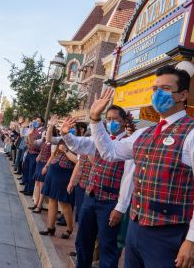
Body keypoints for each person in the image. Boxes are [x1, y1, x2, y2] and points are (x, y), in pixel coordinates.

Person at [87, 65, 194, 267]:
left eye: (165, 89)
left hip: (168, 233)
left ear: (183, 95)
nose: (158, 93)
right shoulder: (144, 133)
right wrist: (95, 120)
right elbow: (110, 152)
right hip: (136, 226)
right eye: (155, 89)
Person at [62, 105, 134, 268]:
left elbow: (129, 178)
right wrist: (66, 134)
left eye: (115, 119)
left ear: (124, 122)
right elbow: (78, 145)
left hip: (111, 201)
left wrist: (120, 207)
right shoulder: (101, 139)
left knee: (108, 247)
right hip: (91, 196)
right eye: (107, 119)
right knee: (83, 241)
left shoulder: (129, 143)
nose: (111, 122)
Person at [39, 139, 77, 239]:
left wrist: (65, 150)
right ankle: (50, 227)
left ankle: (69, 229)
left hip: (64, 175)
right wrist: (46, 166)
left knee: (64, 203)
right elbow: (53, 154)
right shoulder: (62, 139)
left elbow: (77, 161)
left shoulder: (77, 142)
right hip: (52, 174)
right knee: (51, 200)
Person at [20, 117, 45, 196]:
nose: (36, 122)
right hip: (29, 152)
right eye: (36, 120)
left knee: (31, 172)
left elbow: (42, 144)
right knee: (26, 170)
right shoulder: (33, 129)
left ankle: (30, 190)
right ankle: (26, 188)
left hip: (35, 153)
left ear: (42, 123)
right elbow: (25, 137)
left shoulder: (43, 131)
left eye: (38, 121)